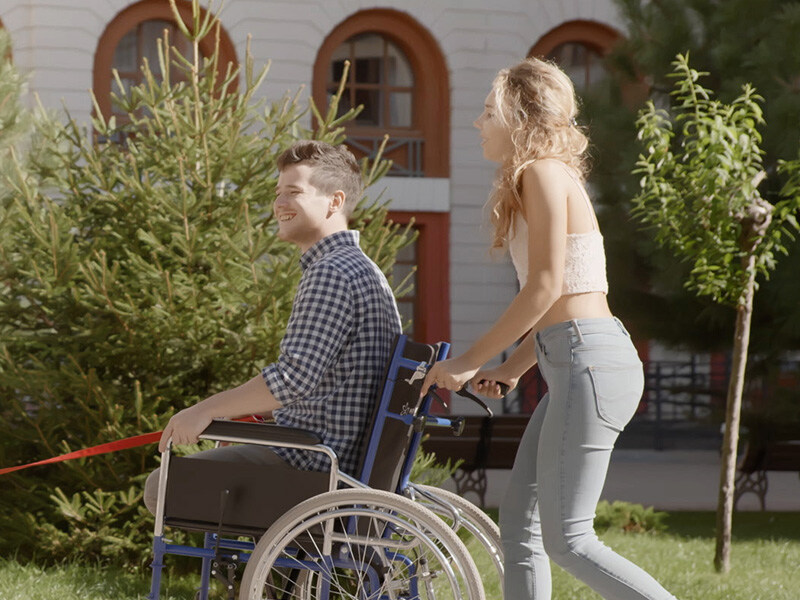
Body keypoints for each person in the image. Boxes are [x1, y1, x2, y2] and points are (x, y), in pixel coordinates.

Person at [421, 58, 676, 600]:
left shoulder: (541, 173)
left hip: (588, 361)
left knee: (570, 540)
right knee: (520, 525)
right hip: (577, 358)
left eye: (488, 112)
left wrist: (466, 361)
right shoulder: (543, 176)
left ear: (518, 117)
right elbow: (564, 300)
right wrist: (512, 368)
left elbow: (544, 288)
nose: (478, 123)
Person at [144, 140, 402, 514]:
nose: (279, 203)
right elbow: (323, 387)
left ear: (335, 201)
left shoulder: (332, 273)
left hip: (315, 466)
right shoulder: (359, 268)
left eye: (294, 192)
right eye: (278, 192)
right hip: (337, 458)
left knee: (160, 487)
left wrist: (204, 411)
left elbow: (292, 380)